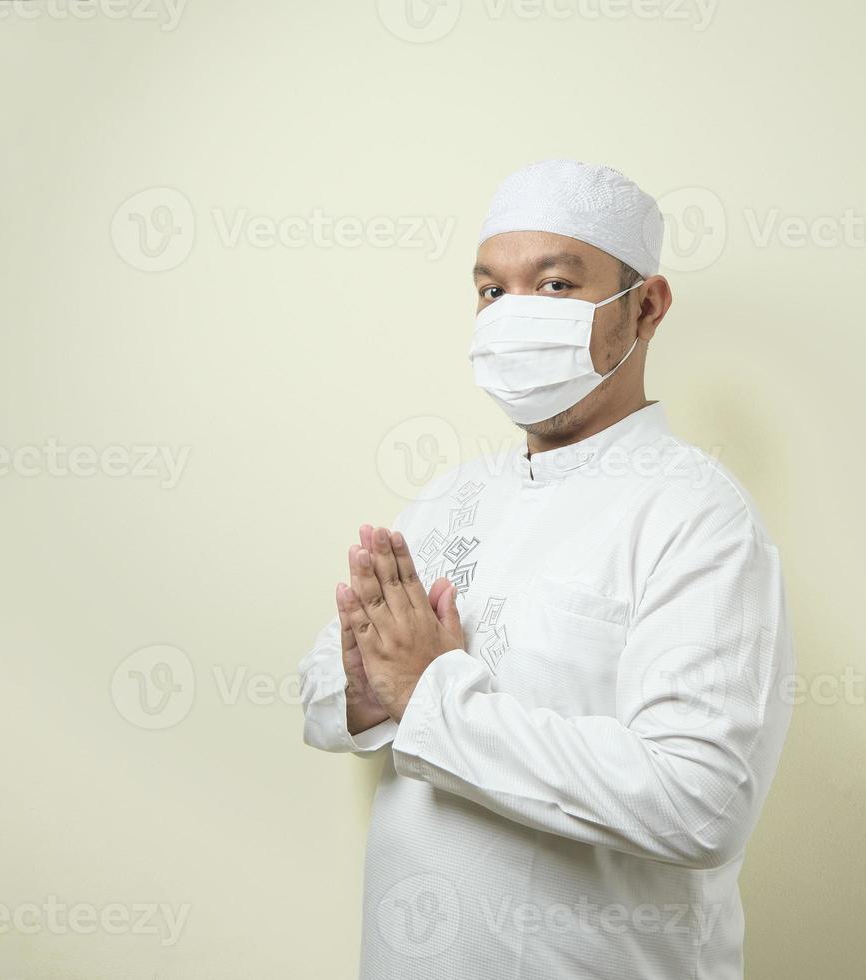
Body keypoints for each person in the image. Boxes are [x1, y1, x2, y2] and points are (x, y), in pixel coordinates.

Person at [298, 159, 795, 979]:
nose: (512, 315)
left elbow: (699, 803)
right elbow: (320, 697)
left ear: (646, 307)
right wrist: (363, 688)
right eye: (492, 291)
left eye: (556, 285)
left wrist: (428, 694)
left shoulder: (695, 515)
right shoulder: (446, 499)